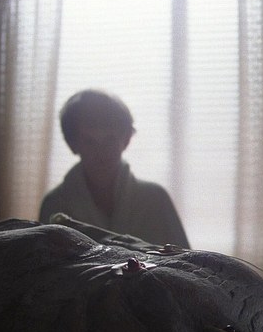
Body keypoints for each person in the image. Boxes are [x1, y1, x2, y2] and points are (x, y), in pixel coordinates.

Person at [39, 89, 190, 248]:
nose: (100, 151)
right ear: (73, 144)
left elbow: (186, 261)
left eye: (110, 139)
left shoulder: (156, 200)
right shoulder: (54, 204)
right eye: (89, 141)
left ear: (126, 140)